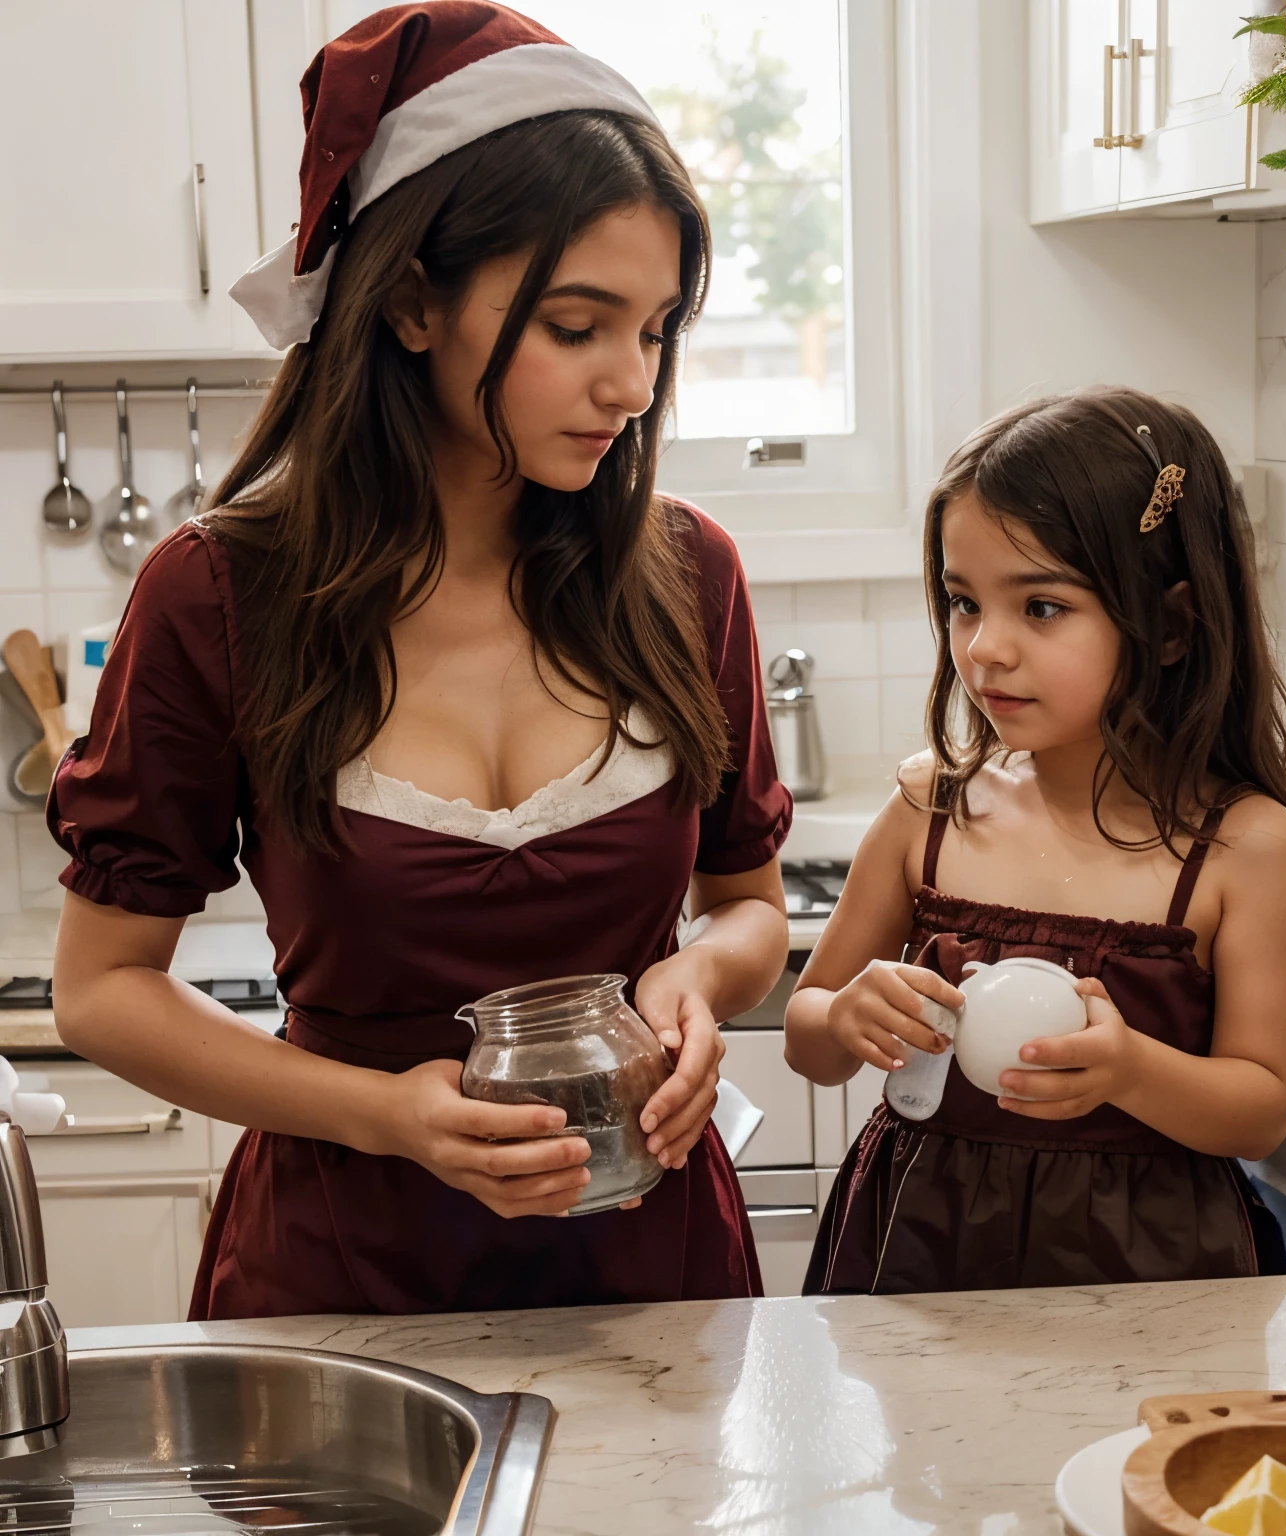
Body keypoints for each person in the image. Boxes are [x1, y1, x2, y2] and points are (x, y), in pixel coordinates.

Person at [47, 2, 791, 1318]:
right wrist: (390, 1117)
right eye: (578, 324)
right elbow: (104, 992)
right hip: (344, 1279)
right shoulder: (222, 595)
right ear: (408, 302)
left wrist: (700, 978)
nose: (633, 381)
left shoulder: (688, 577)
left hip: (653, 1275)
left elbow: (750, 905)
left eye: (658, 327)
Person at [785, 388, 1286, 1294]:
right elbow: (807, 1036)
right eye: (962, 603)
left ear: (1173, 625)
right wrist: (843, 1015)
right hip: (916, 1249)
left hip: (1151, 1272)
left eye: (1041, 607)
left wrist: (1129, 1070)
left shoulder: (1245, 849)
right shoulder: (932, 808)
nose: (984, 647)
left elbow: (1261, 1112)